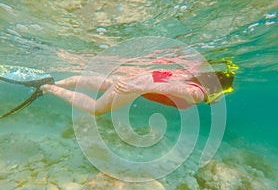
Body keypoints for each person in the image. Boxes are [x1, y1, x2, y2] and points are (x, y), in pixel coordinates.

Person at [41, 67, 235, 116]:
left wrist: (138, 84)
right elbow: (171, 87)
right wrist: (137, 88)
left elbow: (169, 82)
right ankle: (48, 88)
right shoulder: (198, 94)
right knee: (96, 109)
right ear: (217, 88)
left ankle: (56, 81)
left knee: (106, 84)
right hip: (137, 85)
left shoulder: (191, 78)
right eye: (224, 92)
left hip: (139, 79)